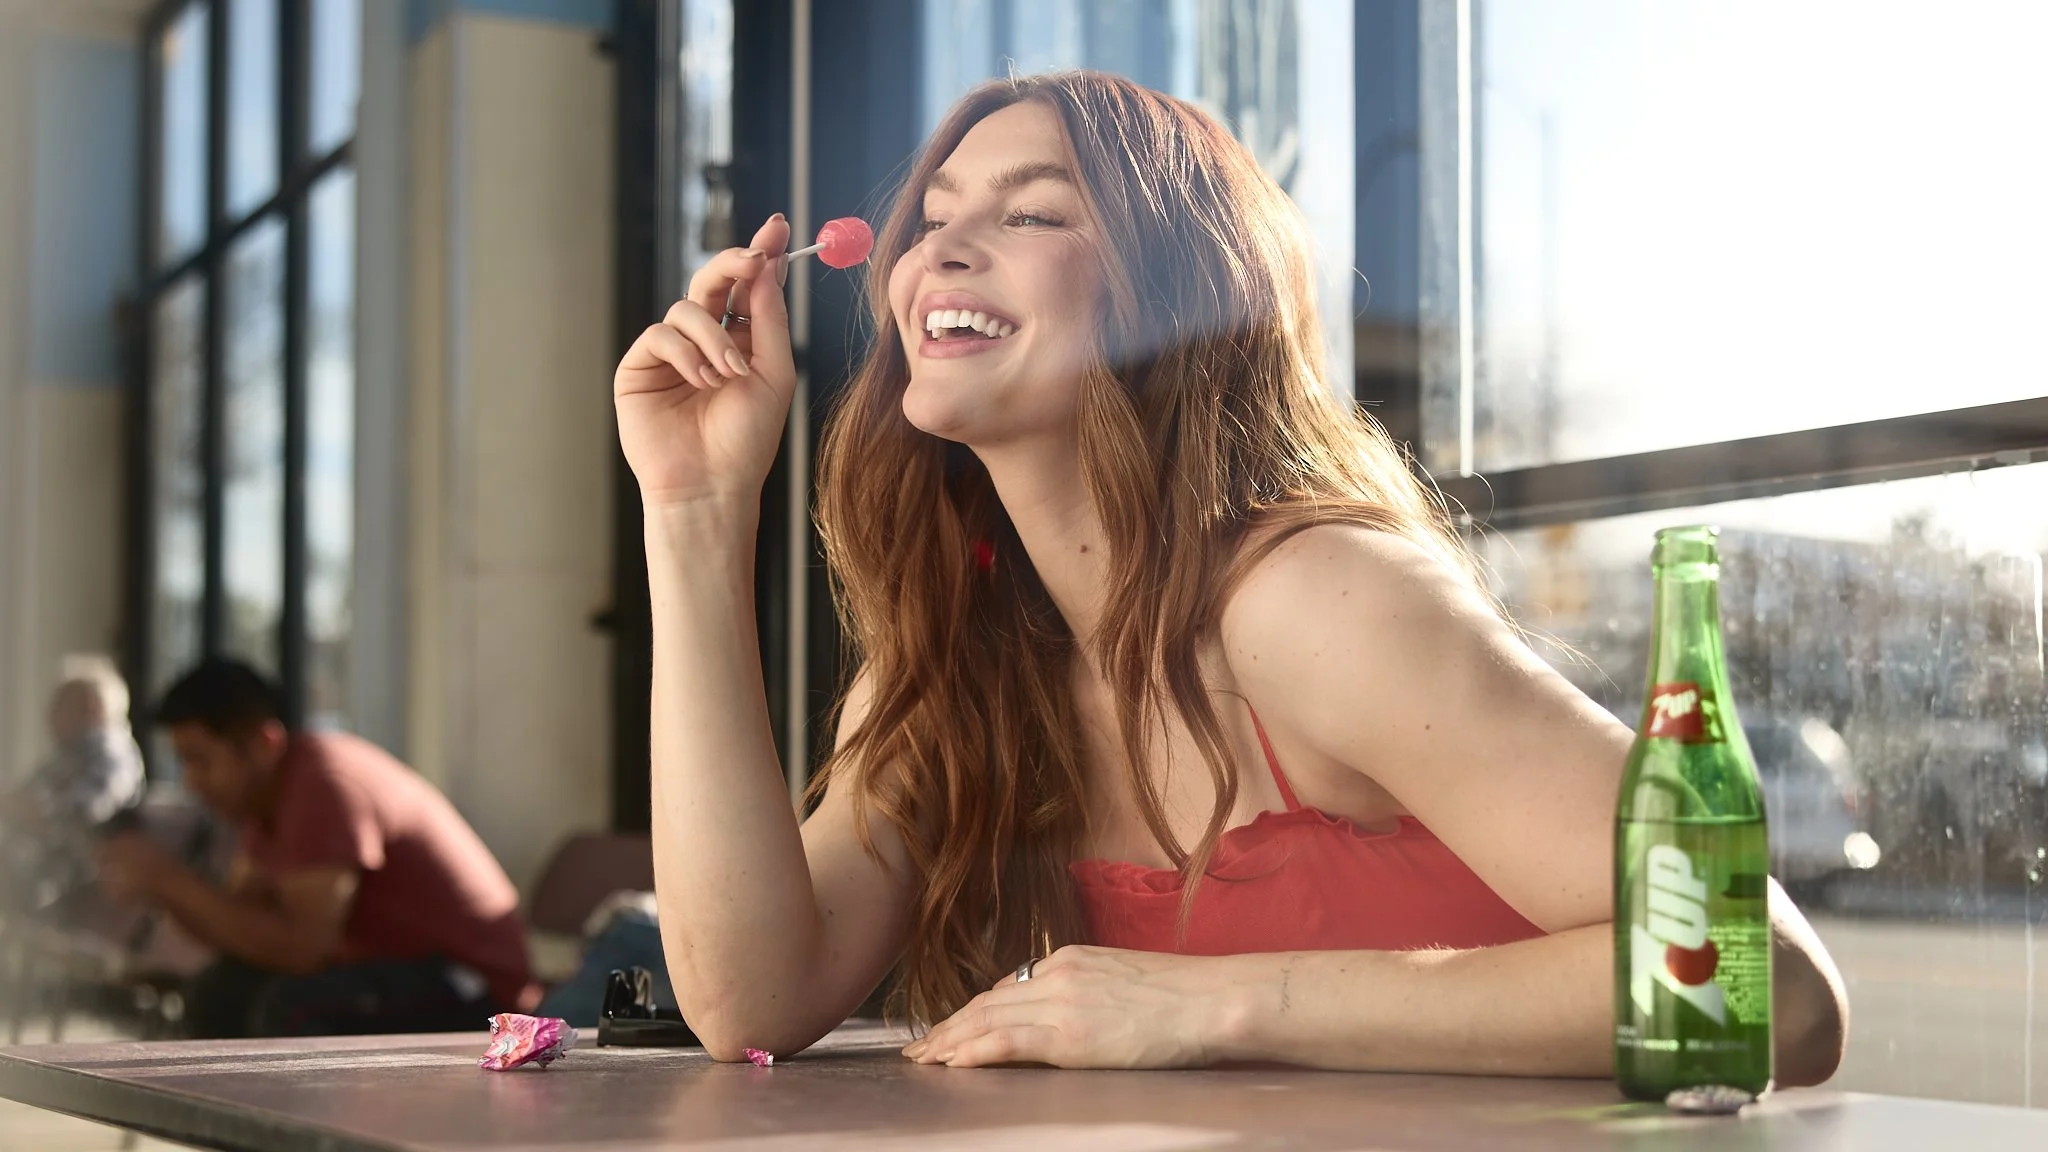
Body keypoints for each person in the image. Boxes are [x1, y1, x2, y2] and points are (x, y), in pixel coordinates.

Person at [615, 70, 1849, 1079]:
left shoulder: (1316, 601)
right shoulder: (953, 668)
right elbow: (750, 1002)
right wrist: (694, 510)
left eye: (1032, 215)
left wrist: (1211, 1004)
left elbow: (1766, 985)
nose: (944, 250)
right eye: (932, 220)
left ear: (1179, 295)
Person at [96, 659, 532, 1037]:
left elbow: (303, 950)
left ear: (264, 743)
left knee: (291, 1006)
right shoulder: (266, 799)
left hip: (477, 990)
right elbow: (239, 930)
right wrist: (162, 890)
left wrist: (170, 880)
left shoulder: (324, 785)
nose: (192, 782)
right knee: (221, 990)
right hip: (407, 972)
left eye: (201, 760)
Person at [1, 655, 146, 911]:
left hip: (70, 885)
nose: (49, 714)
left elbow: (88, 811)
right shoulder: (69, 754)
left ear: (91, 706)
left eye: (59, 704)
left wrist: (30, 811)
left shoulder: (110, 753)